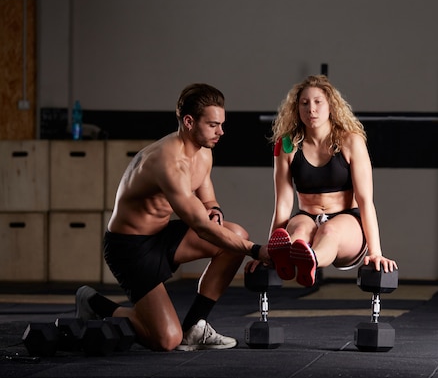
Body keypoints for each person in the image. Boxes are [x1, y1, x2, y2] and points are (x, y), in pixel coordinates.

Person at [74, 83, 271, 351]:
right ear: (189, 122)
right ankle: (94, 303)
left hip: (162, 236)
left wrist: (215, 210)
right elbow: (201, 227)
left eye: (222, 124)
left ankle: (195, 328)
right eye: (213, 124)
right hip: (130, 248)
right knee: (166, 339)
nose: (221, 131)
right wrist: (256, 251)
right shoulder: (167, 162)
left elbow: (208, 199)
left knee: (235, 235)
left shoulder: (204, 151)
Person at [250, 74, 397, 287]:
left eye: (318, 102)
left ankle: (310, 259)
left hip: (347, 220)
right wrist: (269, 252)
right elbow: (282, 204)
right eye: (304, 103)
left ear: (331, 106)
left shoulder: (351, 141)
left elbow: (365, 201)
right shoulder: (287, 145)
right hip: (306, 216)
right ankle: (292, 255)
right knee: (298, 233)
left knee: (328, 231)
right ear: (296, 109)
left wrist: (376, 252)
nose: (311, 109)